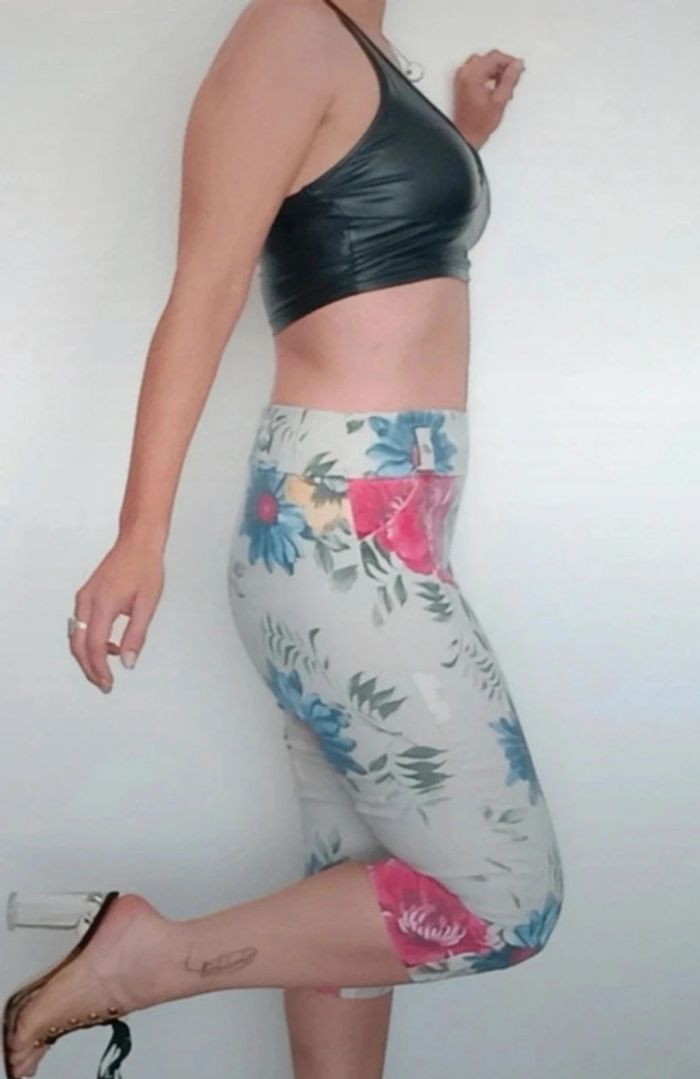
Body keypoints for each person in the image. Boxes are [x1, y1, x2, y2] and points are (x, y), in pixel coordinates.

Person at [3, 1, 565, 1077]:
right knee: (506, 901)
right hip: (338, 530)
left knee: (357, 904)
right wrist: (139, 533)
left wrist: (458, 136)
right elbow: (205, 287)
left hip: (385, 526)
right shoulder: (289, 31)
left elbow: (363, 233)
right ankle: (144, 956)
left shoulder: (360, 51)